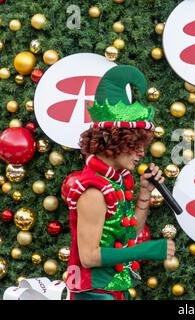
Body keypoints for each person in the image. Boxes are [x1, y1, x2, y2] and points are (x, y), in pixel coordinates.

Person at [66, 65, 175, 300]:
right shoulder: (93, 191)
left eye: (142, 146)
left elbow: (129, 231)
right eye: (134, 145)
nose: (140, 153)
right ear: (115, 142)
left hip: (114, 290)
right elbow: (89, 256)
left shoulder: (118, 181)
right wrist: (149, 249)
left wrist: (144, 194)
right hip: (93, 294)